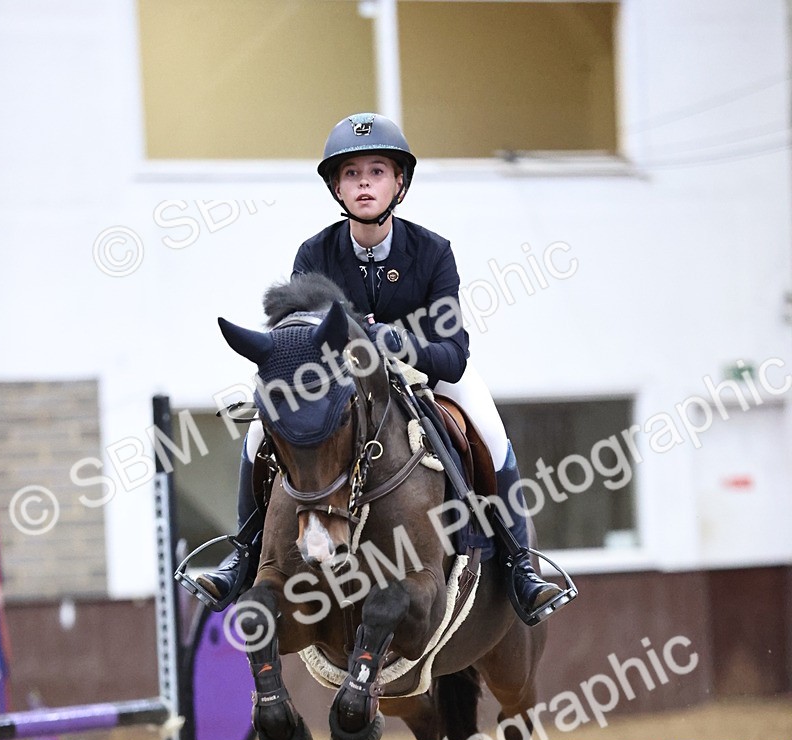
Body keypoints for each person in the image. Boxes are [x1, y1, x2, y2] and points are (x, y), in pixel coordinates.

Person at [198, 112, 575, 625]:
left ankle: (519, 566)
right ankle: (243, 553)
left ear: (399, 182)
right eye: (351, 174)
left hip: (428, 376)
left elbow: (454, 353)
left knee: (492, 432)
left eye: (377, 172)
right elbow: (296, 344)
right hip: (343, 385)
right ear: (336, 186)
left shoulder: (433, 251)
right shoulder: (315, 252)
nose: (364, 184)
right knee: (258, 434)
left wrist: (399, 342)